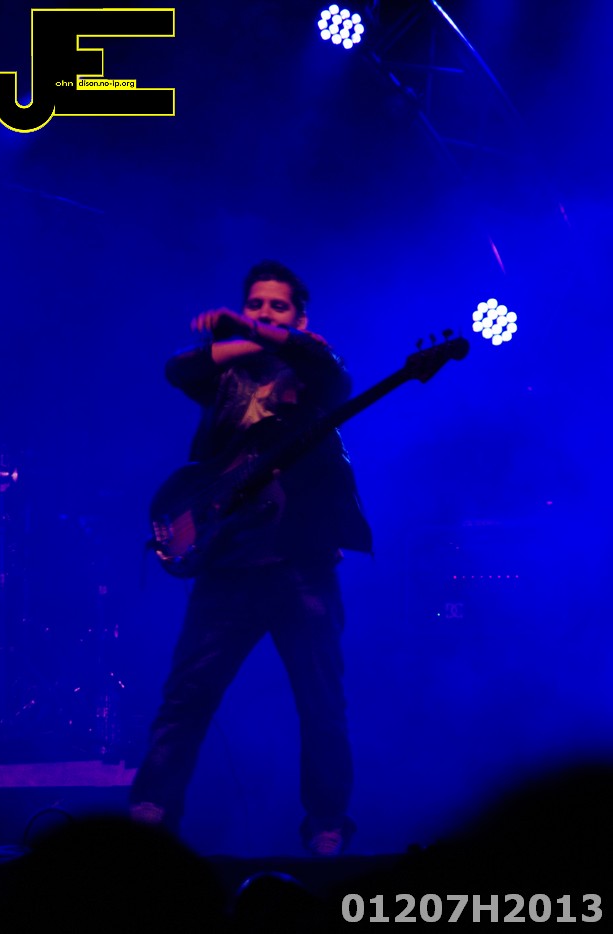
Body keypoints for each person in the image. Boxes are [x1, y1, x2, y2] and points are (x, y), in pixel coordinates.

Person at [129, 259, 372, 856]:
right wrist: (247, 339)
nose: (263, 313)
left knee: (321, 704)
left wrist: (257, 333)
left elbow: (330, 369)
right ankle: (151, 814)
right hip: (227, 568)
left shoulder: (314, 372)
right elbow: (178, 367)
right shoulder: (224, 375)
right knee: (186, 699)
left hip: (301, 566)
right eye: (254, 304)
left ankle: (326, 825)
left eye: (277, 306)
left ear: (301, 318)